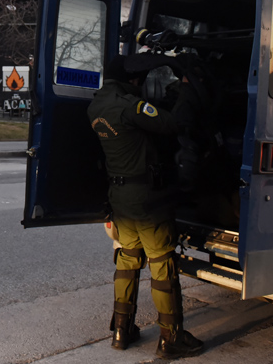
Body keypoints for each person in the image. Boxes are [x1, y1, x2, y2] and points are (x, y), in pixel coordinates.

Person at [87, 54, 204, 359]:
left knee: (127, 260)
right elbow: (174, 124)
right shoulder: (131, 106)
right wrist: (188, 88)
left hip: (120, 197)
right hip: (147, 199)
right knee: (162, 264)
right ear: (131, 81)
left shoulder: (96, 106)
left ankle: (121, 330)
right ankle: (171, 338)